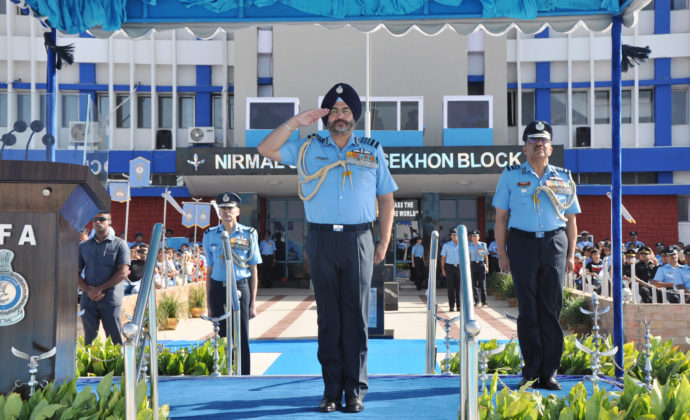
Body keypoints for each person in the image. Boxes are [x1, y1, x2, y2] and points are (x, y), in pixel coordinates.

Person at [257, 82, 397, 413]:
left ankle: (355, 390)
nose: (339, 116)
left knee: (356, 317)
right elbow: (266, 148)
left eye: (346, 110)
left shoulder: (371, 149)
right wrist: (295, 122)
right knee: (328, 317)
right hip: (321, 239)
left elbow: (386, 198)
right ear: (325, 116)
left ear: (355, 116)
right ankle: (331, 389)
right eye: (333, 111)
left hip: (358, 239)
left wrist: (385, 240)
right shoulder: (308, 147)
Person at [493, 120, 580, 391]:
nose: (538, 144)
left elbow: (571, 220)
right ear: (524, 147)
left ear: (551, 148)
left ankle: (549, 372)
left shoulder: (563, 177)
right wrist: (502, 253)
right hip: (522, 244)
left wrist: (570, 254)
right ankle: (531, 370)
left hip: (554, 243)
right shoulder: (510, 175)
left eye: (543, 141)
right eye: (533, 140)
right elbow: (501, 218)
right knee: (528, 310)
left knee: (551, 309)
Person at [202, 192, 261, 375]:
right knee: (222, 334)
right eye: (223, 209)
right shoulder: (210, 234)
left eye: (230, 208)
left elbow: (253, 270)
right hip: (218, 288)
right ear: (218, 212)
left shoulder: (249, 234)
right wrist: (209, 304)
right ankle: (224, 370)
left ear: (237, 211)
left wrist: (253, 303)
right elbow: (209, 272)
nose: (226, 212)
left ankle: (243, 373)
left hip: (240, 287)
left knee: (242, 333)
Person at [78, 211, 131, 345]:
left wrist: (99, 289)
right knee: (90, 341)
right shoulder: (83, 246)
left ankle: (117, 366)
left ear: (109, 222)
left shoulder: (120, 244)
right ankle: (90, 366)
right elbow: (74, 273)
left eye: (102, 219)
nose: (97, 222)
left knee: (115, 340)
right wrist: (89, 291)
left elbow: (123, 272)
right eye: (95, 219)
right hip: (88, 301)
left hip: (110, 300)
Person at [441, 227, 461, 312]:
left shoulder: (463, 245)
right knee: (450, 288)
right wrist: (443, 269)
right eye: (453, 235)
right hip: (449, 267)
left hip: (460, 267)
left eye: (456, 235)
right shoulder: (446, 245)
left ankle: (459, 306)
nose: (455, 236)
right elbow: (443, 258)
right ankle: (451, 306)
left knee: (459, 288)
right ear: (451, 236)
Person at [468, 229, 489, 307]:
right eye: (473, 236)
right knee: (474, 284)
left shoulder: (483, 245)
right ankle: (477, 301)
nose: (474, 238)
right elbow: (468, 256)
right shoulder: (469, 246)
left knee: (482, 284)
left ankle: (484, 301)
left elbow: (486, 256)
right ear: (471, 238)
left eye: (476, 236)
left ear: (479, 237)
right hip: (473, 265)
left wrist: (487, 266)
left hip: (481, 264)